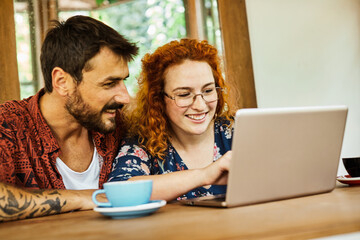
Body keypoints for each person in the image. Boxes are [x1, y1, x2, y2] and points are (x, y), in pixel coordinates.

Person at [0, 15, 138, 222]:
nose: (124, 97)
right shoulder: (8, 124)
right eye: (109, 83)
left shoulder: (118, 123)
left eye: (123, 81)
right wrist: (84, 198)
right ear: (62, 81)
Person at [108, 38, 236, 201]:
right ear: (158, 99)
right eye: (184, 94)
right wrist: (204, 175)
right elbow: (119, 192)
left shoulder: (237, 131)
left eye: (208, 90)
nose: (200, 105)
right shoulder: (144, 143)